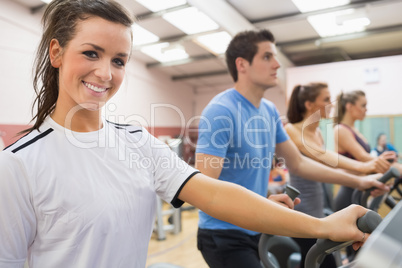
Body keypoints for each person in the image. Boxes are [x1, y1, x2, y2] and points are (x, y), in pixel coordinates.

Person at [0, 2, 387, 267]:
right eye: (91, 53)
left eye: (118, 60)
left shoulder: (135, 141)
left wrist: (323, 224)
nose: (106, 72)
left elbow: (212, 191)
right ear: (56, 53)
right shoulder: (18, 165)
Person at [195, 29, 389, 268]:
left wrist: (360, 181)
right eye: (267, 57)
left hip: (256, 226)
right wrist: (264, 202)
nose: (277, 64)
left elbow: (298, 163)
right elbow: (203, 190)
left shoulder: (268, 110)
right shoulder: (220, 112)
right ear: (242, 64)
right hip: (223, 235)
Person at [285, 82, 392, 268]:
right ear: (309, 104)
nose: (332, 104)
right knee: (320, 261)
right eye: (326, 100)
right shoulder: (292, 130)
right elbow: (324, 157)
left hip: (318, 207)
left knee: (315, 260)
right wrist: (365, 167)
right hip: (300, 207)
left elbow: (329, 167)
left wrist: (365, 178)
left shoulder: (317, 132)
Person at [333, 90, 401, 212]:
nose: (366, 109)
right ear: (349, 106)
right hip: (349, 193)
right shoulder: (340, 130)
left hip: (361, 189)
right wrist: (391, 164)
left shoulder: (354, 130)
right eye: (363, 105)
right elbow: (363, 157)